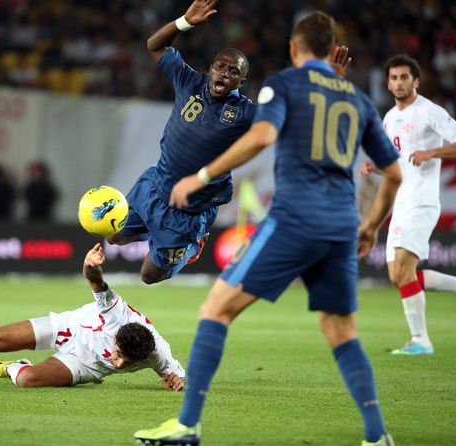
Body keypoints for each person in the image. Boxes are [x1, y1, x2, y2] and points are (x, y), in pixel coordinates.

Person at [135, 11, 401, 446]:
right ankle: (377, 435)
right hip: (342, 226)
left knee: (215, 310)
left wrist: (200, 179)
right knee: (340, 330)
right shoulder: (355, 99)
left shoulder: (284, 84)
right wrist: (371, 228)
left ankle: (186, 426)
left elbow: (260, 137)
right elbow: (393, 174)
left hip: (297, 220)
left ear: (295, 49)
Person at [107, 0, 351, 285]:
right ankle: (156, 231)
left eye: (233, 71)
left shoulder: (246, 112)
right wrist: (184, 22)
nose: (224, 72)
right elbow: (154, 45)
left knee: (149, 275)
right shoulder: (189, 81)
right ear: (211, 68)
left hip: (189, 210)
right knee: (114, 236)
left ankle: (190, 246)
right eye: (220, 66)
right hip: (154, 186)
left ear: (241, 81)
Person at [0, 243, 185, 390]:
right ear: (116, 336)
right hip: (69, 328)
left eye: (127, 363)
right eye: (119, 355)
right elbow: (96, 283)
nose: (117, 364)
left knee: (27, 380)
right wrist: (90, 267)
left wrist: (174, 382)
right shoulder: (117, 314)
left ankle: (11, 367)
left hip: (86, 365)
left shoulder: (158, 352)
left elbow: (177, 377)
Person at [360, 54, 456, 355]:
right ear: (388, 83)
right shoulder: (389, 118)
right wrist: (376, 167)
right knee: (397, 275)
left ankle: (421, 340)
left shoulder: (429, 111)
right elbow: (396, 164)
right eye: (394, 78)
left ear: (416, 81)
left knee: (403, 269)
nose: (399, 82)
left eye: (404, 77)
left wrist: (432, 152)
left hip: (422, 201)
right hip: (401, 203)